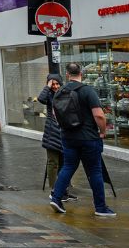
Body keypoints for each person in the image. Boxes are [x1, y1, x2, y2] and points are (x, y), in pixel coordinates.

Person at [50, 63, 116, 217]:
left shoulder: (60, 91)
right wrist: (102, 131)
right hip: (88, 137)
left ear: (67, 75)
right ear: (82, 73)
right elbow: (99, 115)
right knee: (94, 171)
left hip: (68, 137)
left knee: (68, 167)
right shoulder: (87, 91)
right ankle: (100, 207)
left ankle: (56, 198)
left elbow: (55, 113)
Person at [37, 73, 76, 202]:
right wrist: (47, 87)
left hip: (64, 131)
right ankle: (54, 189)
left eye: (56, 84)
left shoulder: (65, 93)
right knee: (53, 162)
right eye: (52, 84)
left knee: (65, 163)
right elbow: (41, 99)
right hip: (51, 132)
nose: (54, 86)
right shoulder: (48, 95)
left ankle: (64, 189)